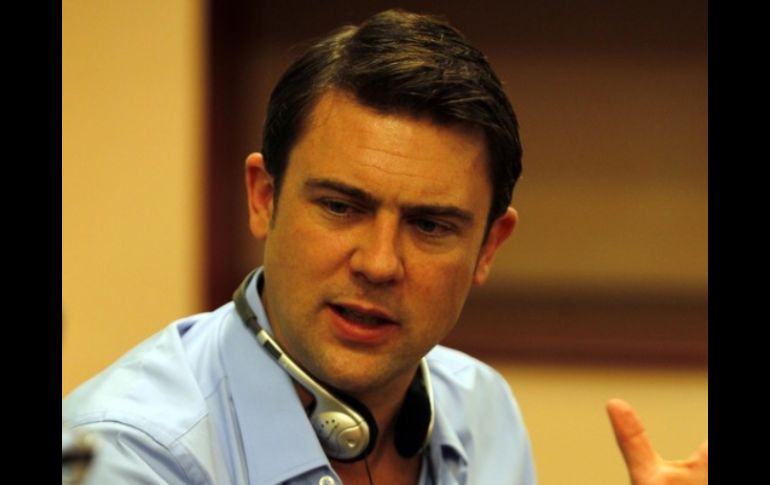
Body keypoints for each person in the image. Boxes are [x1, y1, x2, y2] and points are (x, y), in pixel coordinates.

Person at [62, 9, 707, 485]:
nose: (378, 264)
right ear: (263, 198)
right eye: (341, 207)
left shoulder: (482, 408)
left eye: (431, 226)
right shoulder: (130, 454)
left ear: (489, 246)